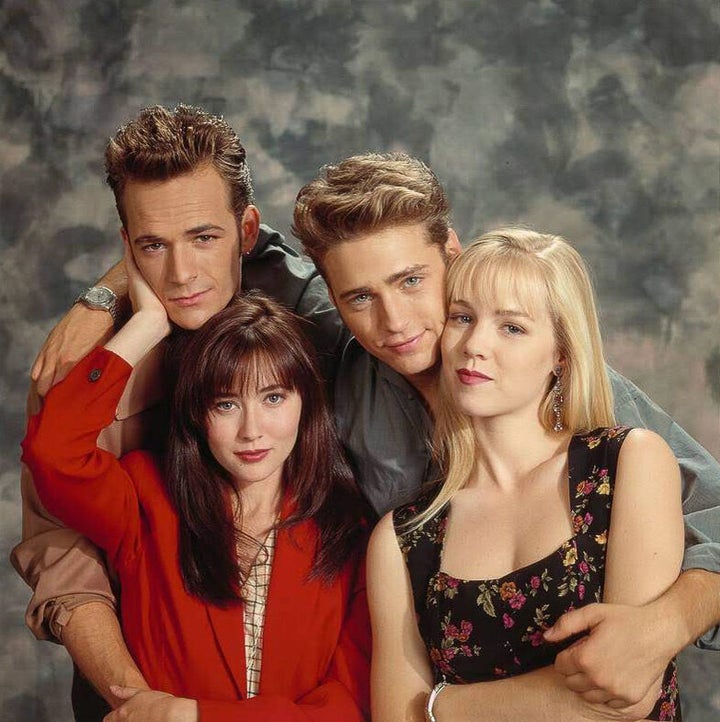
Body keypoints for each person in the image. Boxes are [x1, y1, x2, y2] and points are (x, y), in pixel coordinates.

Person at [291, 154, 720, 718]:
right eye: (360, 298)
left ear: (452, 251)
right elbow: (236, 257)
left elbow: (712, 509)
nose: (393, 321)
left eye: (412, 281)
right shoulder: (339, 380)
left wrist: (665, 624)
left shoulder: (572, 397)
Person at [10, 104, 345, 720]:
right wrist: (140, 701)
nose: (183, 273)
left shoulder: (315, 326)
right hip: (130, 678)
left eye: (205, 238)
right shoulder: (83, 364)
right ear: (128, 247)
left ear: (246, 231)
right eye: (153, 247)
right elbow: (60, 548)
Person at [22, 248, 370, 722]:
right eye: (226, 404)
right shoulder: (146, 495)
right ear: (197, 413)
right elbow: (53, 451)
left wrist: (190, 716)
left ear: (306, 405)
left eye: (273, 398)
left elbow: (347, 706)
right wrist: (145, 326)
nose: (252, 431)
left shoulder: (349, 525)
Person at [367, 228, 684, 721]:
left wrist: (439, 706)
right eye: (463, 317)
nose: (474, 345)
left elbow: (625, 698)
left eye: (511, 327)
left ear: (560, 352)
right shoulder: (402, 537)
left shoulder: (627, 463)